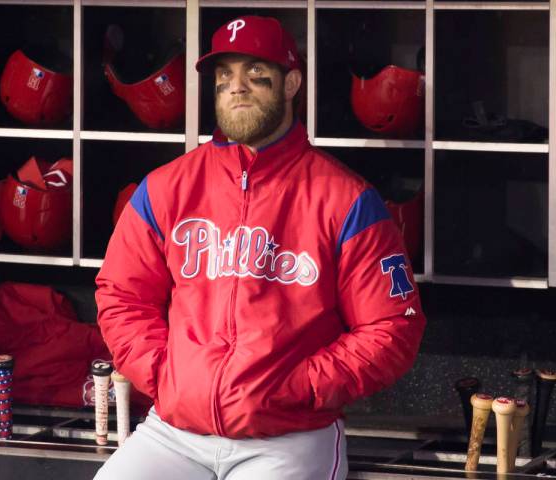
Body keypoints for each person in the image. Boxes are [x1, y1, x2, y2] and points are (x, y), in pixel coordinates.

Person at [94, 15, 426, 480]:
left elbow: (392, 329)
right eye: (224, 76)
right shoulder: (166, 188)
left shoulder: (347, 200)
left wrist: (300, 386)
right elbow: (121, 295)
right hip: (174, 431)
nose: (236, 87)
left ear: (291, 83)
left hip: (287, 438)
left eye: (255, 74)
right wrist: (166, 373)